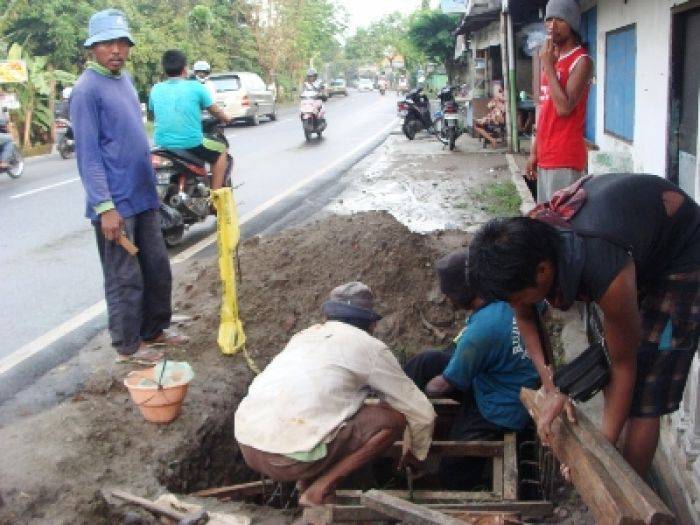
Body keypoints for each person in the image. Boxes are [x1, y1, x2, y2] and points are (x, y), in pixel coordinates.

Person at [467, 173, 700, 476]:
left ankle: (629, 494)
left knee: (645, 393)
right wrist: (551, 386)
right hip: (635, 240)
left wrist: (598, 451)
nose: (514, 306)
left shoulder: (604, 272)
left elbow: (622, 363)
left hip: (683, 255)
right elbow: (523, 312)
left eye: (515, 297)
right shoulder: (528, 239)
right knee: (619, 366)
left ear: (543, 271)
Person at [235, 282, 436, 506]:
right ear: (373, 324)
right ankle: (319, 490)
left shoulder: (305, 336)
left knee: (320, 413)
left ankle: (305, 486)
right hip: (287, 458)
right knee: (393, 420)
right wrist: (416, 456)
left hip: (248, 446)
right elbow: (422, 412)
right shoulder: (369, 347)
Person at [71, 9, 186, 364]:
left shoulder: (124, 80)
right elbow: (88, 156)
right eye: (107, 43)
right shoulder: (86, 91)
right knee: (125, 278)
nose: (116, 49)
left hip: (143, 195)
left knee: (156, 268)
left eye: (122, 42)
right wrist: (104, 206)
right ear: (93, 48)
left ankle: (154, 329)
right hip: (115, 204)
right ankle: (128, 345)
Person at [404, 250, 539, 488]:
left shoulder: (480, 333)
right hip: (505, 373)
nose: (447, 300)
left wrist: (422, 395)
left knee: (453, 473)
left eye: (449, 295)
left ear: (460, 293)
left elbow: (444, 386)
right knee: (427, 361)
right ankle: (393, 401)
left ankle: (469, 484)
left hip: (500, 406)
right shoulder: (508, 295)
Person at [526, 0, 594, 203]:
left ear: (572, 24)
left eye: (559, 20)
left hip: (565, 158)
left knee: (562, 227)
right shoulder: (552, 59)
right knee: (546, 226)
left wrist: (548, 66)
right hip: (545, 157)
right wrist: (534, 152)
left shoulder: (582, 61)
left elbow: (564, 108)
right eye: (549, 20)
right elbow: (545, 109)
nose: (551, 26)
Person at [149, 50, 232, 190]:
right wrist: (227, 118)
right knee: (221, 150)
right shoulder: (195, 87)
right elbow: (215, 110)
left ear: (164, 69)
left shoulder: (155, 89)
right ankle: (216, 196)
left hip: (162, 144)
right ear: (185, 69)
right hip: (191, 143)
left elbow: (154, 113)